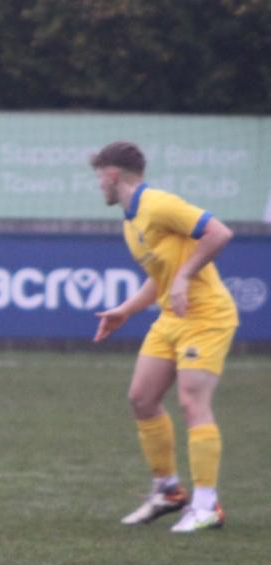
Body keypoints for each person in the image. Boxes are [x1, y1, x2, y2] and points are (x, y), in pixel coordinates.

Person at [91, 141, 238, 533]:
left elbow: (219, 232)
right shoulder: (130, 221)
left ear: (112, 175)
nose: (99, 186)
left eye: (99, 178)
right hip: (172, 318)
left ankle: (207, 505)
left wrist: (186, 275)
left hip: (206, 315)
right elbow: (160, 278)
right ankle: (168, 491)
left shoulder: (158, 204)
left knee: (192, 402)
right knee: (142, 399)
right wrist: (126, 310)